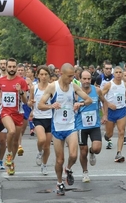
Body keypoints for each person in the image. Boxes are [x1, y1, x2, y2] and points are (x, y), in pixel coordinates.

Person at [38, 63, 92, 196]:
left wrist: (80, 103)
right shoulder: (53, 87)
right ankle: (59, 182)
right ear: (62, 74)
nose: (72, 78)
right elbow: (40, 105)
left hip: (70, 126)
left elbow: (89, 99)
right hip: (57, 127)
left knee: (73, 155)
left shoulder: (73, 86)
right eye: (69, 76)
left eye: (73, 76)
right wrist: (51, 106)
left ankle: (68, 169)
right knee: (59, 160)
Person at [0, 58, 29, 175]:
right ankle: (9, 154)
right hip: (5, 112)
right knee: (11, 131)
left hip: (18, 113)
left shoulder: (21, 81)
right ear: (6, 67)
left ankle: (12, 161)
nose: (12, 69)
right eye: (10, 67)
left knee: (15, 142)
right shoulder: (1, 80)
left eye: (14, 67)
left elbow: (25, 101)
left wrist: (20, 92)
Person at [76, 69, 108, 182]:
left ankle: (92, 152)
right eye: (84, 79)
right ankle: (85, 172)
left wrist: (104, 115)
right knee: (82, 151)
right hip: (81, 126)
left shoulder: (97, 90)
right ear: (80, 79)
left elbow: (104, 102)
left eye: (88, 79)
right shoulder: (76, 92)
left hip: (94, 125)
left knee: (97, 148)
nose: (86, 81)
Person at [101, 66, 126, 162]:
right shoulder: (109, 85)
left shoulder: (125, 85)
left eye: (120, 72)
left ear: (122, 74)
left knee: (121, 132)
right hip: (111, 111)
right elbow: (100, 95)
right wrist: (108, 104)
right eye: (116, 72)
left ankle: (119, 153)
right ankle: (107, 136)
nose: (118, 74)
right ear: (113, 74)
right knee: (110, 134)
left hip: (121, 110)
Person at [28, 65, 53, 175]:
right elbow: (29, 102)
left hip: (50, 117)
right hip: (38, 117)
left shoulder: (52, 87)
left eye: (45, 74)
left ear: (49, 76)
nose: (43, 77)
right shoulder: (34, 87)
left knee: (47, 146)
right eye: (41, 74)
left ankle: (44, 164)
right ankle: (39, 151)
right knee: (41, 140)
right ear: (37, 75)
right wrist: (31, 104)